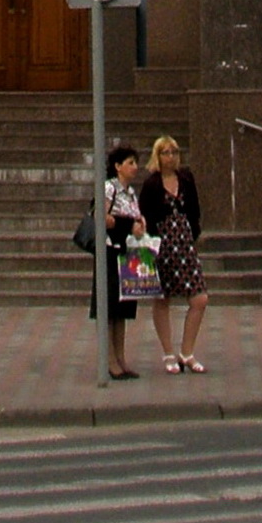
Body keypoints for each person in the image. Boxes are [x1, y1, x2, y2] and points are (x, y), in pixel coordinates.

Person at [139, 134, 210, 373]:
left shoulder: (186, 178)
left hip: (185, 243)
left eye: (174, 152)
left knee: (199, 298)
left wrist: (192, 235)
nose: (171, 157)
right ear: (157, 156)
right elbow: (145, 215)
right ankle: (168, 353)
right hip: (162, 245)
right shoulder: (152, 184)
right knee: (162, 298)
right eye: (166, 152)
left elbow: (195, 210)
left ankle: (187, 352)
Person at [98, 145, 147, 379]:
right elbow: (102, 217)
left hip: (127, 251)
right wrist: (128, 225)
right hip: (110, 249)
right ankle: (108, 360)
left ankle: (121, 357)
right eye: (130, 163)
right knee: (109, 308)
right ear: (117, 166)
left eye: (136, 163)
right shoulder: (109, 188)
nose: (134, 167)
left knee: (123, 308)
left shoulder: (131, 192)